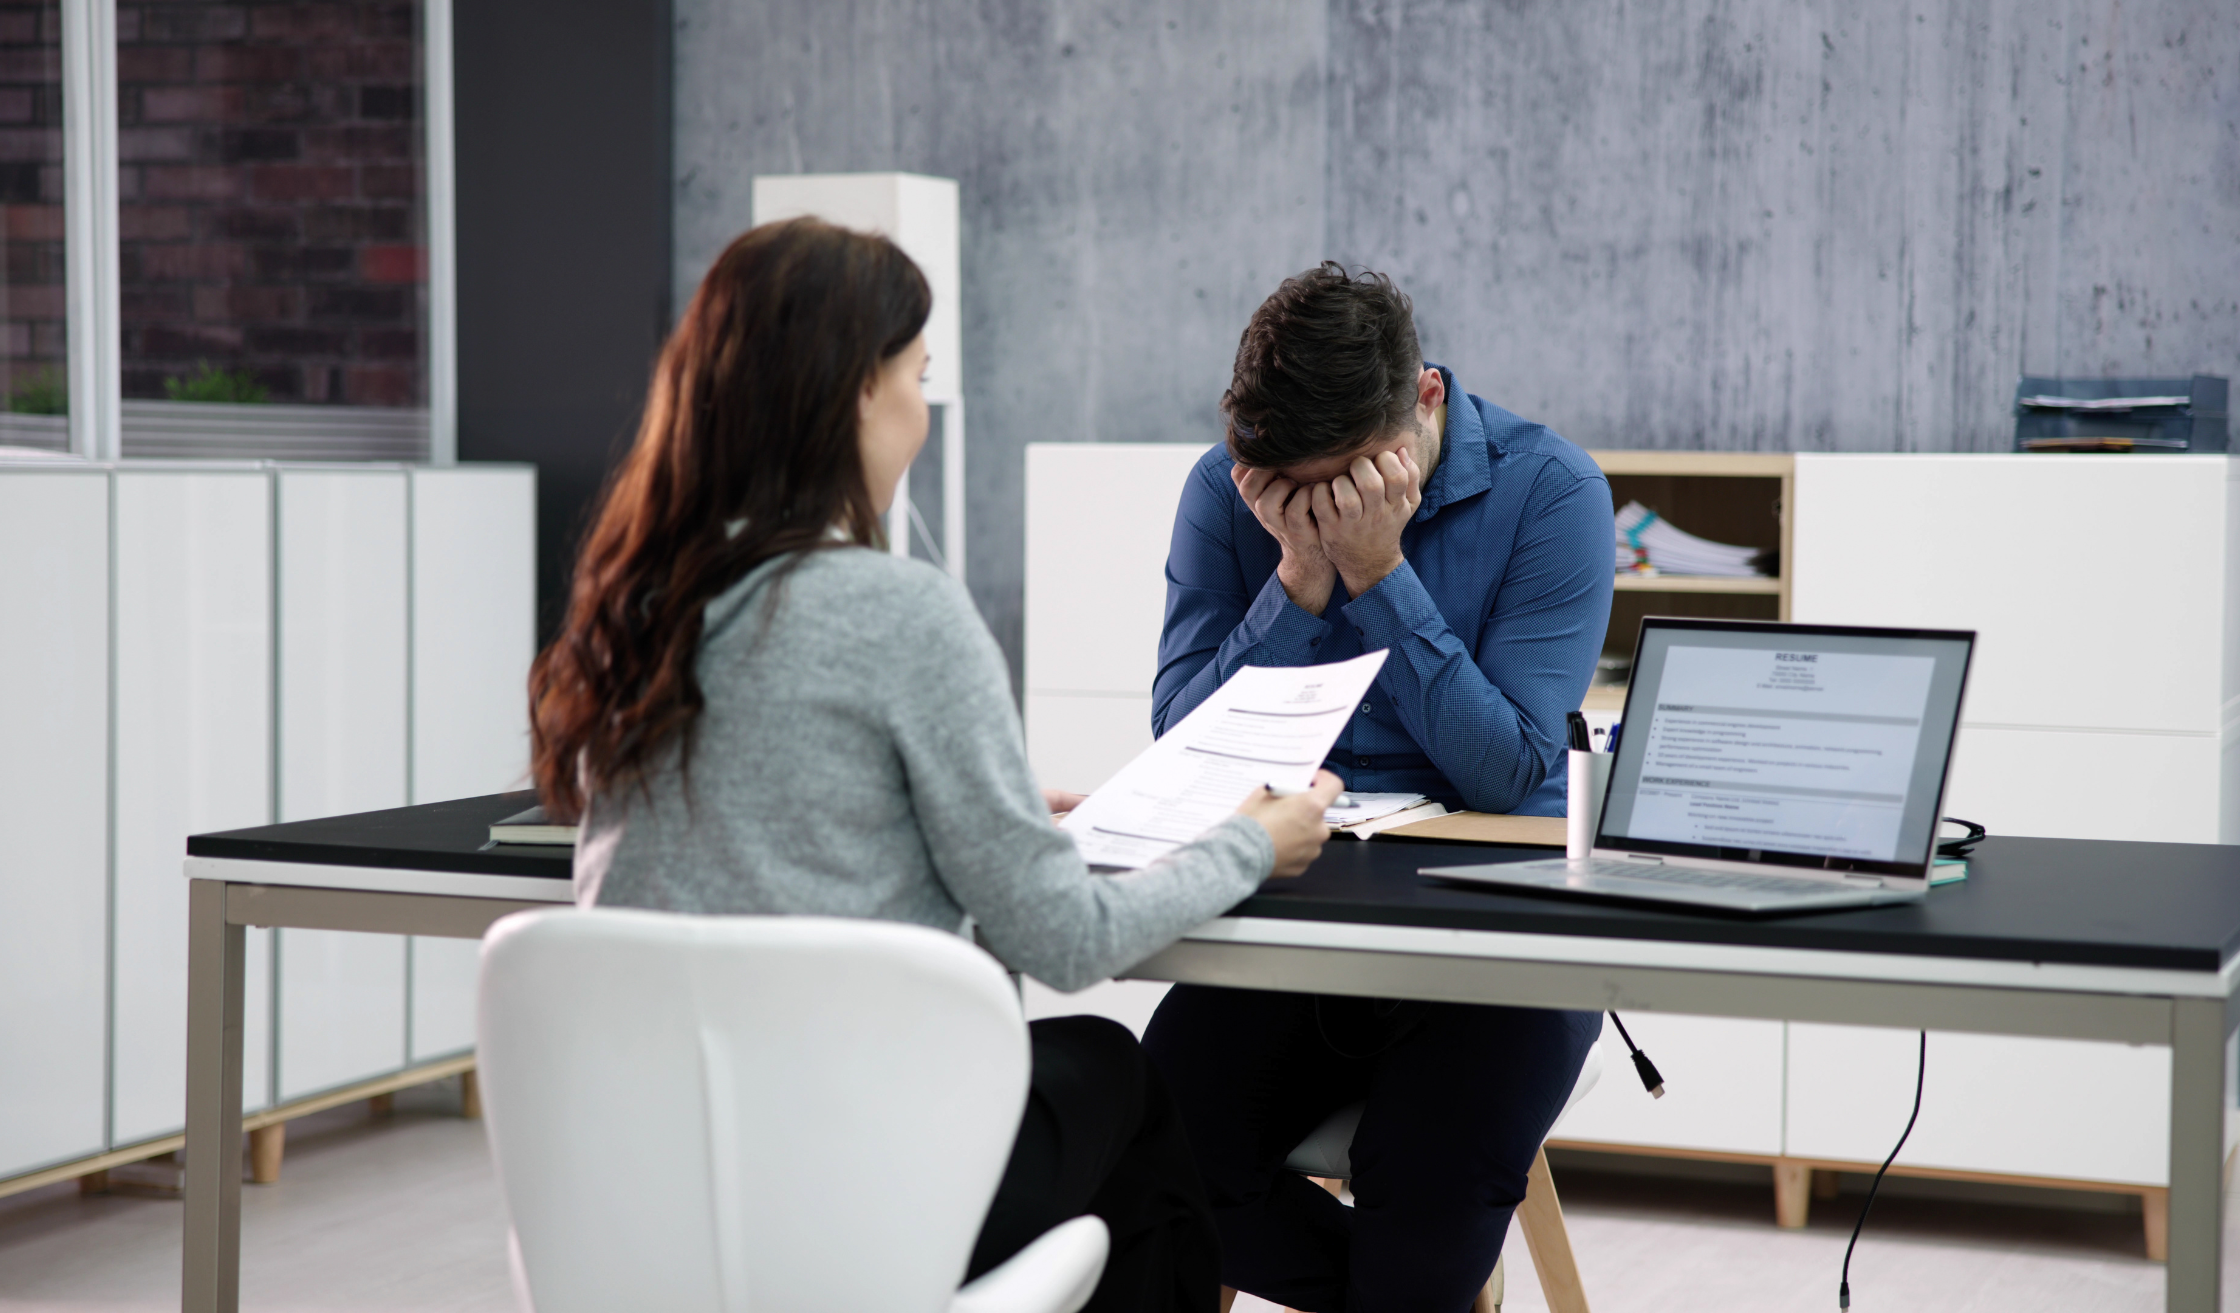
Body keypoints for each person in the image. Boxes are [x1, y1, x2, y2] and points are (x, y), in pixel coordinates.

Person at [528, 217, 1344, 1313]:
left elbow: (754, 819)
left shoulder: (630, 609)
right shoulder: (902, 611)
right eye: (916, 377)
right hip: (855, 1185)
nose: (921, 413)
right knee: (1123, 1085)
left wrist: (951, 812)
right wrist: (1250, 841)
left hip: (646, 1190)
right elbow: (1064, 938)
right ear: (853, 394)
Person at [1141, 263, 1612, 1311]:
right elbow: (1185, 748)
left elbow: (1505, 771)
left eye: (1341, 485)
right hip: (1296, 920)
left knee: (1424, 1191)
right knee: (1151, 1156)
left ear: (1425, 400)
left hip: (1501, 940)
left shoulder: (1553, 491)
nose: (1312, 512)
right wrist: (1296, 580)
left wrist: (1377, 572)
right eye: (1289, 490)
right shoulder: (1229, 490)